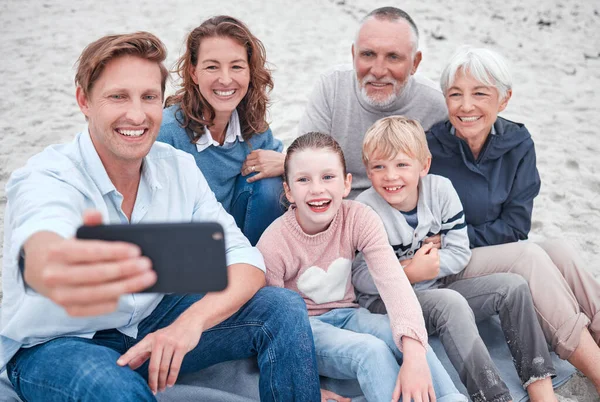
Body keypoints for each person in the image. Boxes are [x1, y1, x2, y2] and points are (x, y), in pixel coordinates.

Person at [0, 32, 321, 401]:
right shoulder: (48, 177)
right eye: (118, 96)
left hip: (152, 322)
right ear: (84, 100)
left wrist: (189, 323)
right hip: (61, 342)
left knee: (281, 307)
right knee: (113, 387)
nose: (136, 114)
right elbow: (44, 244)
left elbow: (245, 261)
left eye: (149, 97)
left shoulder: (178, 168)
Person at [427, 46, 600, 394]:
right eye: (455, 94)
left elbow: (517, 225)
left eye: (480, 93)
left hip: (485, 246)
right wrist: (450, 241)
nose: (465, 106)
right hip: (448, 259)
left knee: (559, 248)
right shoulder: (431, 147)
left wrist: (461, 235)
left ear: (503, 99)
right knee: (529, 255)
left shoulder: (518, 142)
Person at [352, 116, 558, 402]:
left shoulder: (441, 191)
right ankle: (494, 396)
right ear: (368, 170)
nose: (390, 176)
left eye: (401, 164)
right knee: (450, 302)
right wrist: (410, 272)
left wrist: (429, 268)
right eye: (379, 167)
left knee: (513, 287)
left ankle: (541, 389)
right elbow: (360, 279)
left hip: (435, 285)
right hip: (386, 302)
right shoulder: (364, 211)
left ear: (424, 165)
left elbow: (459, 252)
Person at [257, 132, 467, 402]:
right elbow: (270, 325)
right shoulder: (274, 242)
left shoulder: (359, 217)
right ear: (288, 190)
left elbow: (394, 283)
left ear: (346, 184)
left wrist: (414, 354)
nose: (317, 189)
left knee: (401, 336)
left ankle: (452, 398)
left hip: (349, 314)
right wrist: (301, 386)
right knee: (371, 350)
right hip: (304, 328)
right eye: (303, 180)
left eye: (328, 177)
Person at [158, 16, 285, 245]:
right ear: (194, 72)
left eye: (236, 66)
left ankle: (262, 264)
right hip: (184, 245)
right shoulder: (165, 132)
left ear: (249, 71)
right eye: (212, 67)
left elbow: (299, 172)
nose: (225, 79)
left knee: (271, 185)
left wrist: (287, 162)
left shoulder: (253, 127)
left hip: (239, 242)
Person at [297, 6, 447, 198]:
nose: (378, 70)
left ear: (415, 63)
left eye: (393, 57)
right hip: (336, 205)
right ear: (353, 54)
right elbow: (306, 165)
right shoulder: (331, 87)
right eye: (368, 54)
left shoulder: (436, 105)